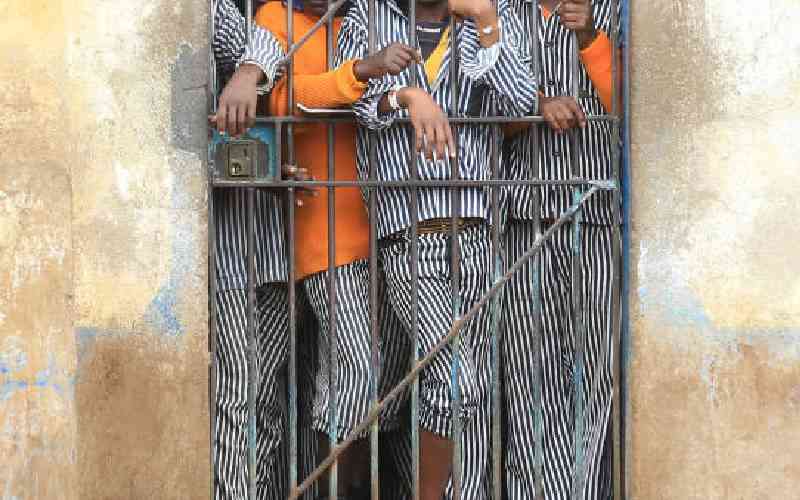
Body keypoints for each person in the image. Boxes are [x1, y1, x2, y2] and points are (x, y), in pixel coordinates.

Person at [337, 0, 537, 498]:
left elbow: (520, 102)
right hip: (410, 234)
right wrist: (406, 96)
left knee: (473, 393)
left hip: (479, 231)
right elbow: (353, 99)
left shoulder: (489, 15)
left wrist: (486, 21)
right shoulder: (369, 15)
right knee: (454, 384)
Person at [254, 1, 418, 498]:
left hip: (395, 224)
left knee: (393, 381)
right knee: (356, 373)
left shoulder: (373, 17)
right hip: (327, 229)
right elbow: (280, 100)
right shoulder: (277, 19)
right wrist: (360, 71)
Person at [502, 0, 618, 499]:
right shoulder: (505, 13)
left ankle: (582, 490)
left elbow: (635, 108)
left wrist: (590, 38)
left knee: (595, 369)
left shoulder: (612, 11)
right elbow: (476, 110)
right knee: (530, 370)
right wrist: (536, 105)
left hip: (597, 218)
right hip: (524, 220)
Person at [210, 1, 292, 499]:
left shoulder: (217, 14)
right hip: (226, 255)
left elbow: (270, 43)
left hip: (271, 248)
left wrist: (246, 74)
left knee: (266, 400)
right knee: (237, 391)